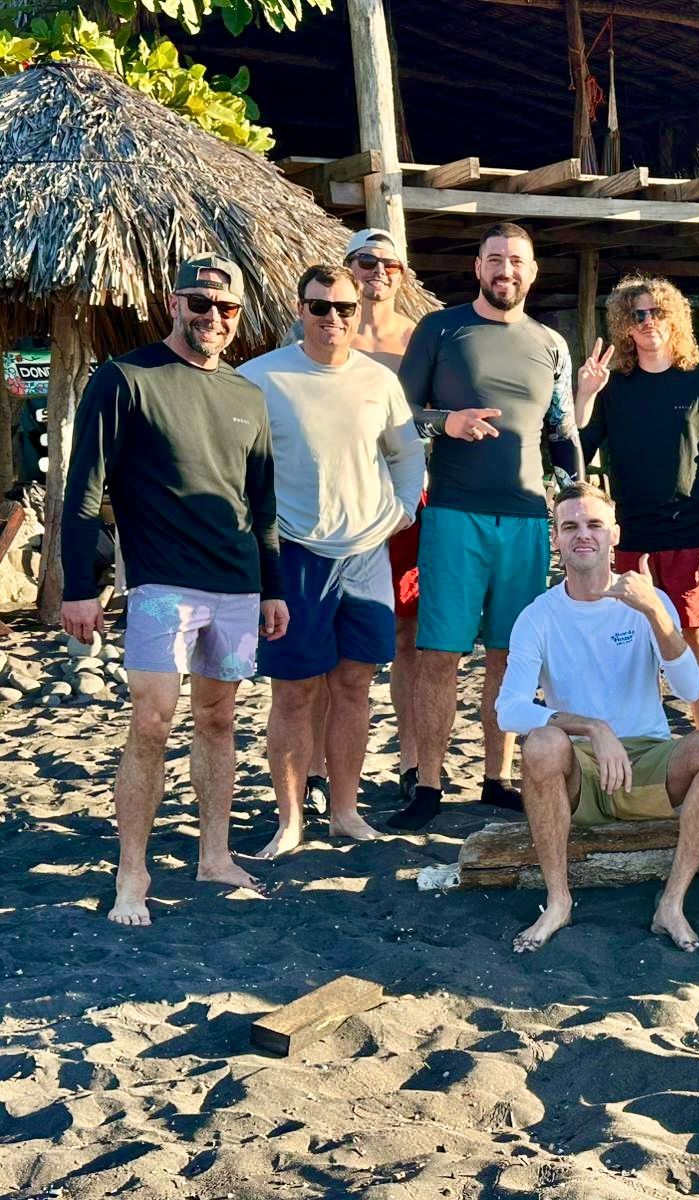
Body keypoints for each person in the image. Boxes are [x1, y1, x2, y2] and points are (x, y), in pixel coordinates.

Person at [60, 254, 288, 926]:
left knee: (219, 721)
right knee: (152, 721)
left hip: (238, 586)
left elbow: (263, 504)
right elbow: (84, 491)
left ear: (238, 316)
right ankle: (132, 872)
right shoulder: (124, 378)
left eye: (225, 308)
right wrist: (80, 586)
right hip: (161, 584)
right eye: (199, 303)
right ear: (173, 302)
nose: (211, 317)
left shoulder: (248, 395)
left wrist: (273, 588)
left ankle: (213, 855)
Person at [390, 221, 584, 831]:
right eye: (495, 259)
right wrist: (445, 422)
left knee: (510, 655)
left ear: (532, 271)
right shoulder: (441, 329)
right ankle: (427, 782)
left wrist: (575, 491)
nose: (507, 270)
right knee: (438, 655)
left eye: (517, 261)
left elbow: (562, 431)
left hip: (527, 519)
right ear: (478, 268)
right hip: (452, 515)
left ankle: (495, 778)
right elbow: (397, 415)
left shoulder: (551, 343)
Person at [496, 483, 699, 952]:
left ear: (614, 534)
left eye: (593, 525)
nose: (582, 535)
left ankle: (672, 903)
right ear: (557, 540)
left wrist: (655, 613)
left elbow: (693, 690)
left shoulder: (647, 600)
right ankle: (559, 901)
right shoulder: (538, 615)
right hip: (580, 768)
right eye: (570, 526)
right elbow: (509, 709)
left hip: (646, 760)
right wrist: (591, 726)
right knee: (541, 743)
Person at [238, 264, 424, 857]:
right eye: (321, 307)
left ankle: (345, 810)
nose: (334, 319)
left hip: (367, 555)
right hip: (293, 552)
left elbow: (407, 453)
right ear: (301, 308)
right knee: (293, 691)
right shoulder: (260, 378)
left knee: (354, 685)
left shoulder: (377, 380)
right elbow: (228, 461)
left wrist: (400, 512)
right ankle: (290, 820)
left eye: (344, 308)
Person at [573, 273, 699, 730]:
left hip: (693, 534)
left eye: (657, 312)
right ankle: (636, 736)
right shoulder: (613, 386)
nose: (648, 322)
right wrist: (585, 394)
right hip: (630, 536)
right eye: (637, 315)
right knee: (629, 641)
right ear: (625, 325)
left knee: (696, 638)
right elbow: (576, 449)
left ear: (676, 318)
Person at [345, 228, 426, 803]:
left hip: (406, 494)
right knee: (336, 634)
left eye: (390, 266)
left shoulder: (421, 337)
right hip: (340, 495)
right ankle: (328, 766)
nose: (379, 273)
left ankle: (411, 760)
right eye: (367, 262)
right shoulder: (318, 327)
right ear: (348, 268)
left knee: (408, 632)